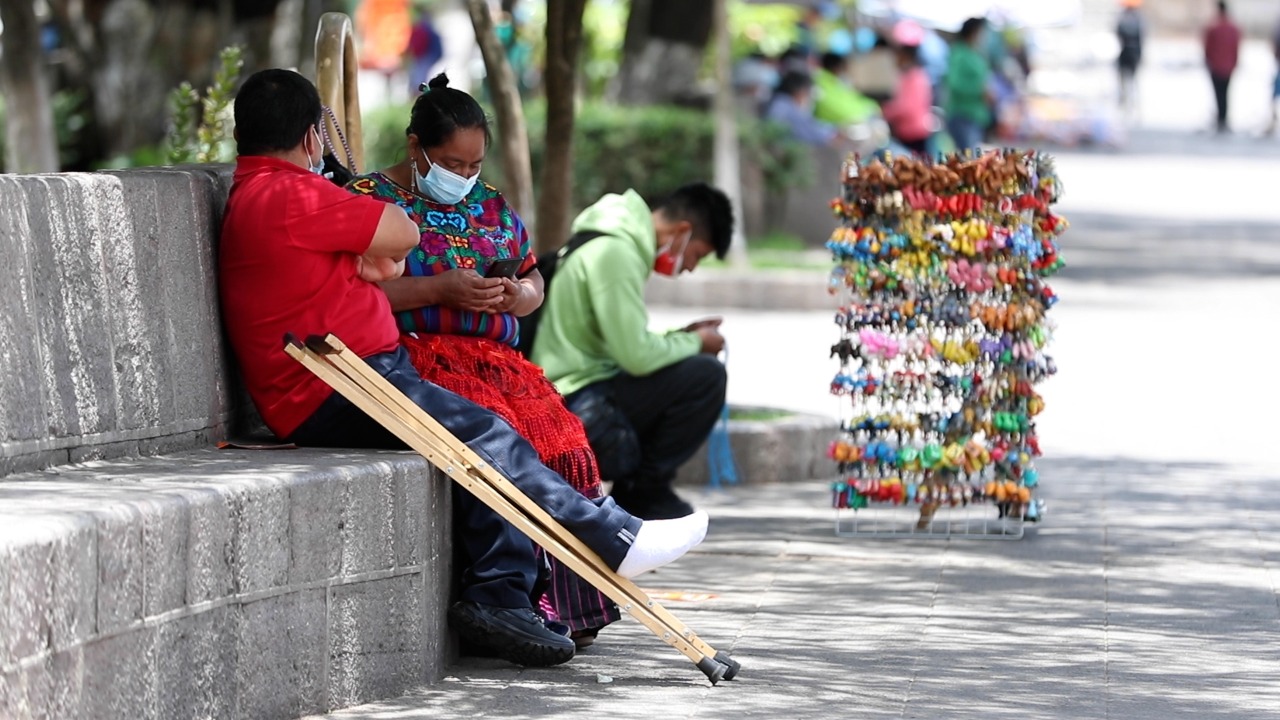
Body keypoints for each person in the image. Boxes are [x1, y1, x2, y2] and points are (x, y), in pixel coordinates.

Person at [219, 68, 709, 668]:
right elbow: (400, 230)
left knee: (486, 434)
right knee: (484, 433)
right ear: (313, 138)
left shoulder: (271, 193)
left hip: (353, 371)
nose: (466, 178)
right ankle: (598, 543)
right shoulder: (292, 194)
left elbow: (384, 263)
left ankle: (517, 592)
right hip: (337, 381)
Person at [344, 72, 625, 650]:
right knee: (502, 442)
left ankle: (571, 607)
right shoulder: (368, 201)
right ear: (415, 147)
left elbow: (531, 277)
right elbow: (348, 293)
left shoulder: (491, 204)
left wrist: (518, 296)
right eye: (454, 164)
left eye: (474, 166)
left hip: (500, 361)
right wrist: (437, 291)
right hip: (420, 359)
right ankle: (504, 598)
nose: (466, 179)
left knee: (563, 442)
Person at [529, 184, 733, 521]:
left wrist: (682, 336)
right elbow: (636, 356)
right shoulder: (616, 253)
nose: (690, 267)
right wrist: (697, 342)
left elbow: (623, 341)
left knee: (689, 366)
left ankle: (639, 490)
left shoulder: (608, 236)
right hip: (576, 398)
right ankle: (643, 491)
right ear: (682, 231)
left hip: (577, 385)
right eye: (697, 254)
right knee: (705, 376)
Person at [881, 21, 934, 156]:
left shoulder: (914, 76)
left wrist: (887, 111)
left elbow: (907, 108)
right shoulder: (911, 75)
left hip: (913, 133)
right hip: (910, 131)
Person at [944, 17, 993, 151]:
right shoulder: (959, 53)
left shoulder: (975, 52)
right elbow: (954, 83)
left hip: (974, 116)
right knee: (968, 159)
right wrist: (979, 90)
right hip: (962, 115)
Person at [764, 70, 845, 147]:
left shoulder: (790, 105)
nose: (808, 97)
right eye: (807, 92)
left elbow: (810, 124)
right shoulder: (781, 104)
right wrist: (830, 135)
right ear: (798, 90)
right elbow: (806, 130)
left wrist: (832, 131)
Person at [813, 52, 881, 128]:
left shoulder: (832, 82)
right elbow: (842, 112)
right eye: (844, 68)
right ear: (836, 67)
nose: (846, 72)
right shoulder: (822, 83)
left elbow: (853, 99)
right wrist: (869, 110)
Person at [1203, 1, 1241, 134]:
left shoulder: (1213, 27)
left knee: (1218, 94)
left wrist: (1208, 62)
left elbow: (1207, 48)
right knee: (1226, 93)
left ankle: (1221, 118)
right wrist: (1235, 62)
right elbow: (1236, 47)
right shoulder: (1233, 28)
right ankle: (1223, 118)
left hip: (1216, 66)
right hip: (1228, 66)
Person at [1116, 0, 1144, 116]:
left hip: (1132, 54)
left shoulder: (1135, 20)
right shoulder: (1125, 19)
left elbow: (1141, 38)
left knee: (1132, 81)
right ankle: (1125, 103)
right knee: (1124, 81)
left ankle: (1132, 105)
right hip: (1126, 53)